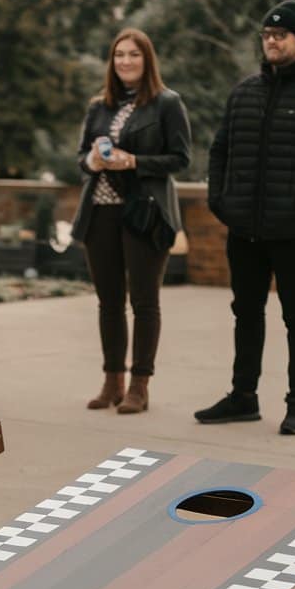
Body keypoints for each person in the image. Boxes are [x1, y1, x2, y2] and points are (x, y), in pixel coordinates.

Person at [195, 0, 295, 435]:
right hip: (244, 227)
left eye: (280, 35)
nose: (271, 41)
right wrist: (218, 199)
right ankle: (243, 397)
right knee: (246, 312)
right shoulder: (245, 91)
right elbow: (220, 149)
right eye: (266, 34)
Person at [71, 28, 191, 414]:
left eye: (133, 55)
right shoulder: (98, 107)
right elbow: (80, 159)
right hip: (100, 212)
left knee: (144, 301)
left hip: (145, 212)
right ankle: (112, 381)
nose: (125, 61)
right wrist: (94, 161)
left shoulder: (167, 103)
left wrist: (134, 161)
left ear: (147, 60)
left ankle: (140, 384)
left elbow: (180, 159)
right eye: (119, 55)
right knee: (109, 303)